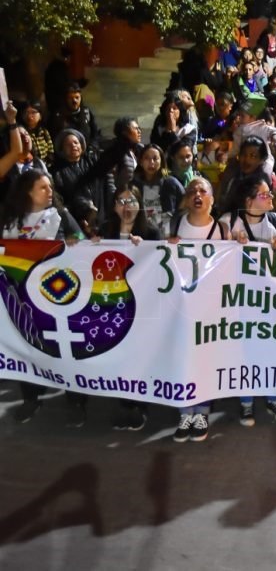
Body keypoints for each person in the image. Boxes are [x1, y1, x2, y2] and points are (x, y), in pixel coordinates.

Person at [2, 170, 85, 426]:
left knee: (65, 350)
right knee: (25, 346)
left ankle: (76, 401)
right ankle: (31, 397)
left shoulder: (60, 216)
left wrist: (74, 240)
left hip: (57, 297)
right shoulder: (9, 220)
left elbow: (82, 241)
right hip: (20, 297)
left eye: (50, 187)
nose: (50, 192)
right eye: (43, 187)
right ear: (27, 192)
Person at [219, 173, 276, 426]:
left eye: (270, 192)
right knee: (243, 351)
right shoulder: (228, 222)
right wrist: (230, 244)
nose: (271, 196)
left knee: (268, 348)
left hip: (263, 302)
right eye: (264, 193)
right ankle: (246, 402)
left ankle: (273, 397)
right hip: (236, 302)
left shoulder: (270, 225)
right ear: (249, 200)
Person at [167, 177, 228, 441]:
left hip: (210, 308)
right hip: (180, 306)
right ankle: (185, 413)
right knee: (183, 359)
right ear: (186, 198)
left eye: (203, 190)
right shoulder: (173, 225)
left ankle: (201, 412)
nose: (197, 194)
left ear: (212, 199)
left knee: (205, 360)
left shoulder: (222, 229)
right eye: (192, 190)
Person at [97, 184, 161, 430]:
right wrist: (84, 242)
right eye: (121, 201)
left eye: (131, 201)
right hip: (112, 305)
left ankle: (140, 406)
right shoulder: (105, 231)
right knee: (118, 353)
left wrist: (145, 249)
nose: (126, 206)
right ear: (114, 206)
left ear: (140, 205)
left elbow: (161, 266)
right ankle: (123, 403)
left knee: (139, 355)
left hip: (141, 307)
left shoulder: (151, 233)